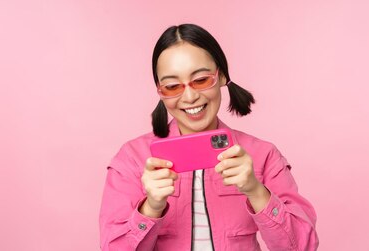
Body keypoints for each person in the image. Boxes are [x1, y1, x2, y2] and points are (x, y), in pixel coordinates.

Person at [98, 24, 318, 250]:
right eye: (173, 86)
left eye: (201, 80)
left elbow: (303, 246)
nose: (190, 96)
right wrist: (151, 207)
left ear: (221, 76)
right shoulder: (133, 159)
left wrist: (255, 190)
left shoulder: (263, 155)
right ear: (160, 91)